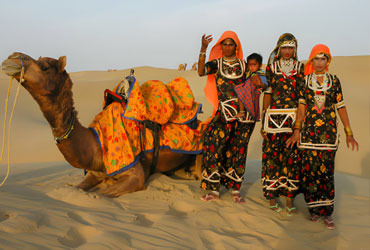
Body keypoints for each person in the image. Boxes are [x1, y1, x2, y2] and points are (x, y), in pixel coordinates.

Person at [286, 44, 359, 229]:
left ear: (328, 61)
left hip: (329, 135)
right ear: (312, 61)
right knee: (310, 173)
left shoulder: (334, 81)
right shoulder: (305, 81)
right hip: (308, 135)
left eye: (323, 58)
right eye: (316, 59)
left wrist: (348, 132)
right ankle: (314, 210)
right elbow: (301, 108)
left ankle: (327, 212)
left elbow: (341, 107)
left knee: (326, 173)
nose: (320, 62)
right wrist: (297, 130)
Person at [198, 31, 258, 203]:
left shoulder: (244, 65)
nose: (227, 47)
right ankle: (214, 190)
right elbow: (201, 72)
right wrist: (203, 48)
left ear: (236, 47)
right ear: (220, 47)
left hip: (242, 114)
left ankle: (235, 190)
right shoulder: (217, 64)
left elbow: (254, 83)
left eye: (231, 44)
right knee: (213, 144)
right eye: (224, 44)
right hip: (223, 112)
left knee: (239, 150)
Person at [260, 33, 305, 215]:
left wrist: (299, 126)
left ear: (295, 49)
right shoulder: (271, 68)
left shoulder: (301, 68)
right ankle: (272, 195)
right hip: (273, 120)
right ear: (279, 49)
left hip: (293, 119)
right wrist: (263, 121)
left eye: (291, 47)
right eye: (284, 47)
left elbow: (302, 97)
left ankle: (289, 197)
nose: (287, 51)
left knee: (292, 158)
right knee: (272, 157)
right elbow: (268, 94)